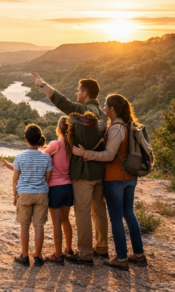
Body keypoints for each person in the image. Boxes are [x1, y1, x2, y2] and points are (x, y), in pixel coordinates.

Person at [32, 73, 108, 265]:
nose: (76, 92)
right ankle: (101, 248)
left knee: (82, 213)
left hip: (84, 173)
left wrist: (43, 85)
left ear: (85, 93)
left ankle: (85, 254)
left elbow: (63, 103)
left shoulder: (84, 110)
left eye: (78, 90)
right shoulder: (103, 115)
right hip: (100, 171)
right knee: (99, 211)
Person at [72, 94, 148, 269]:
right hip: (129, 177)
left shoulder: (116, 129)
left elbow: (109, 155)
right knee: (129, 213)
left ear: (112, 109)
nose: (103, 108)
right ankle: (139, 254)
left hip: (116, 178)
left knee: (115, 217)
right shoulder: (128, 124)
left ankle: (121, 258)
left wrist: (86, 154)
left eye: (105, 105)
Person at [9, 124, 53, 267]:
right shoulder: (46, 158)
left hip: (25, 194)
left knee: (24, 226)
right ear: (40, 139)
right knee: (39, 226)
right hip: (41, 194)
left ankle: (24, 256)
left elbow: (15, 179)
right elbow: (48, 178)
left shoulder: (20, 157)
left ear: (25, 138)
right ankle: (38, 257)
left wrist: (15, 196)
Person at [44, 116, 75, 264]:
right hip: (69, 187)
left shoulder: (55, 144)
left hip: (55, 188)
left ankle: (57, 254)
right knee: (65, 220)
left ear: (59, 129)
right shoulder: (71, 145)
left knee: (56, 223)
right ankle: (69, 249)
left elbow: (43, 158)